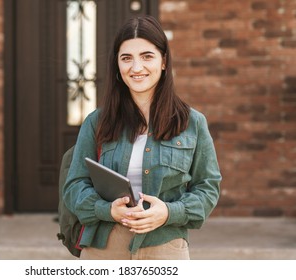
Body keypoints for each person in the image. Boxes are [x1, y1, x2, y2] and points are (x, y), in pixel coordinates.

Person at [63, 15, 221, 260]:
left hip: (165, 248)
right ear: (117, 65)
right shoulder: (97, 121)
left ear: (164, 61)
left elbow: (207, 188)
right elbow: (74, 186)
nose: (136, 68)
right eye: (126, 58)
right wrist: (107, 210)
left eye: (147, 56)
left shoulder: (193, 123)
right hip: (103, 249)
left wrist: (169, 212)